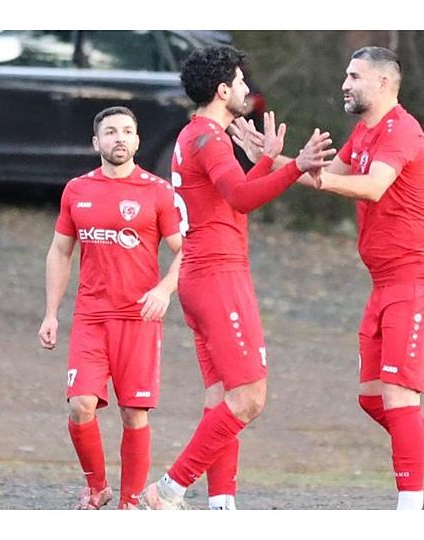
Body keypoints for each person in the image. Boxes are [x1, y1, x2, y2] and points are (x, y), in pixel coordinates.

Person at [138, 45, 334, 510]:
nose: (249, 89)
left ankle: (221, 507)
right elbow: (242, 199)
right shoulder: (208, 138)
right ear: (223, 90)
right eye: (242, 82)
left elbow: (230, 194)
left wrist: (267, 160)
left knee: (223, 401)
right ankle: (168, 489)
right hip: (216, 277)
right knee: (249, 398)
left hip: (204, 278)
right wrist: (296, 168)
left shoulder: (199, 136)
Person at [304, 46, 424, 510]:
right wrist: (276, 163)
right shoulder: (364, 132)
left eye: (354, 75)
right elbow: (332, 173)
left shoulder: (402, 130)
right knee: (373, 399)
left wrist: (311, 177)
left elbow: (370, 186)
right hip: (385, 283)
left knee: (400, 398)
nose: (344, 83)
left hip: (419, 281)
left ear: (384, 83)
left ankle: (410, 510)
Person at [38, 106, 183, 510]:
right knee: (80, 405)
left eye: (127, 131)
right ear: (96, 142)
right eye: (110, 132)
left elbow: (187, 252)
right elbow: (60, 251)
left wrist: (165, 290)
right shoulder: (77, 190)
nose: (119, 138)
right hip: (91, 318)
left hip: (138, 319)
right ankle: (96, 486)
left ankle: (130, 504)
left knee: (134, 414)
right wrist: (51, 313)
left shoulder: (156, 191)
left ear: (137, 141)